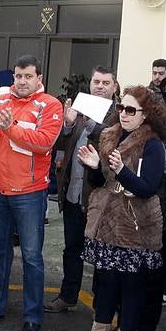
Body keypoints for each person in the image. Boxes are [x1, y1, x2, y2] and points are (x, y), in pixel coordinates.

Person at [69, 85, 166, 331]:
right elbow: (102, 181)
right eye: (121, 108)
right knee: (106, 281)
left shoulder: (152, 144)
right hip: (106, 222)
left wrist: (121, 170)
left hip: (134, 227)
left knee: (131, 286)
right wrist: (93, 167)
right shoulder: (110, 134)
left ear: (146, 114)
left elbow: (148, 187)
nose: (123, 114)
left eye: (130, 110)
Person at [0, 55, 65, 331]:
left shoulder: (50, 105)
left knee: (32, 258)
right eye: (18, 76)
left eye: (28, 77)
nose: (22, 82)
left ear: (39, 79)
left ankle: (32, 316)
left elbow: (43, 142)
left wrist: (9, 128)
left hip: (30, 193)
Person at [49, 66, 117, 313]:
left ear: (114, 87)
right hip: (72, 193)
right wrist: (67, 125)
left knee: (100, 254)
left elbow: (111, 144)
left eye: (105, 83)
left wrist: (91, 125)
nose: (99, 86)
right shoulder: (79, 109)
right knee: (72, 248)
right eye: (96, 82)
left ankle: (102, 306)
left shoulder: (119, 115)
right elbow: (62, 145)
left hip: (99, 197)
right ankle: (68, 296)